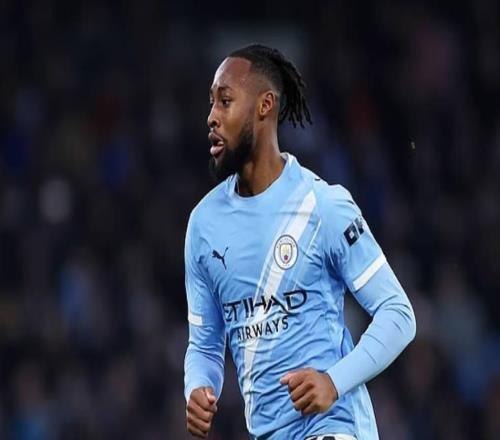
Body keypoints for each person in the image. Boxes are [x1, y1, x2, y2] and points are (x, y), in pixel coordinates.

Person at [184, 44, 416, 440]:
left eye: (225, 101)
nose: (212, 117)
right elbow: (204, 346)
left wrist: (333, 382)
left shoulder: (322, 205)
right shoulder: (204, 225)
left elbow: (398, 314)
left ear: (265, 106)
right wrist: (197, 388)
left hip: (335, 426)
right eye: (211, 103)